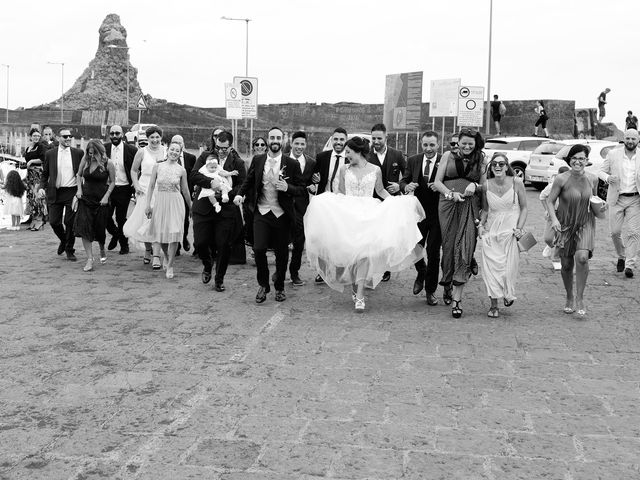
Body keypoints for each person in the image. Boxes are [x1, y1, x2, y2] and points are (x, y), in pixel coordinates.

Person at [305, 136, 425, 312]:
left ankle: (360, 295)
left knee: (364, 254)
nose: (346, 156)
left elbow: (380, 190)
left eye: (349, 152)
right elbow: (341, 194)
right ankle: (355, 286)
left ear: (358, 152)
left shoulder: (375, 169)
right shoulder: (344, 169)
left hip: (369, 214)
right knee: (352, 255)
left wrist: (395, 202)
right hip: (350, 215)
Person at [234, 126, 303, 303]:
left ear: (283, 141)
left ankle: (279, 286)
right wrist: (240, 194)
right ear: (268, 139)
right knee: (258, 249)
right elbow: (249, 180)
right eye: (272, 138)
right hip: (262, 212)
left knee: (281, 254)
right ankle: (263, 285)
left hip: (282, 214)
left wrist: (288, 188)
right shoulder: (258, 160)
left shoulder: (292, 164)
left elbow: (301, 189)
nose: (275, 141)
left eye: (278, 138)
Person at [432, 128, 486, 318]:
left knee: (464, 247)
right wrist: (449, 193)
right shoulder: (448, 155)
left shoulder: (481, 159)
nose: (467, 146)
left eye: (471, 143)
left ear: (476, 143)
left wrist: (475, 185)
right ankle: (447, 283)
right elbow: (437, 182)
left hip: (469, 206)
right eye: (464, 142)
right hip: (448, 204)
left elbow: (484, 185)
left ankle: (457, 299)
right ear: (458, 142)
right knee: (448, 247)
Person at [546, 144, 602, 317]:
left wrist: (601, 206)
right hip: (564, 224)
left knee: (582, 258)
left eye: (581, 158)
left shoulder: (592, 179)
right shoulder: (561, 179)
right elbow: (549, 201)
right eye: (575, 158)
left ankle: (580, 298)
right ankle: (569, 296)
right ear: (569, 160)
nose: (578, 161)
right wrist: (554, 219)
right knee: (567, 264)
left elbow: (594, 200)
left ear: (587, 160)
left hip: (585, 223)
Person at [191, 130, 246, 291]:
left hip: (226, 209)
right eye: (218, 147)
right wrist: (210, 183)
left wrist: (226, 191)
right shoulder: (204, 157)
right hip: (203, 207)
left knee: (224, 245)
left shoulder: (238, 163)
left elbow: (242, 184)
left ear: (231, 147)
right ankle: (207, 264)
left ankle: (219, 278)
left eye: (224, 148)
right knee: (201, 242)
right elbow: (193, 175)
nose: (221, 151)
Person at [478, 153, 528, 317]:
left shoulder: (517, 182)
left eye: (501, 163)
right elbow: (485, 210)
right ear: (491, 167)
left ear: (507, 166)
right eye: (494, 164)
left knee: (508, 268)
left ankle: (507, 291)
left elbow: (524, 207)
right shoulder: (485, 185)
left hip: (510, 231)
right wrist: (480, 226)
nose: (497, 166)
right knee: (491, 268)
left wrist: (519, 228)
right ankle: (493, 305)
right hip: (492, 231)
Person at [400, 130, 442, 305]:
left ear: (438, 144)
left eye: (432, 145)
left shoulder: (444, 161)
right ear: (421, 144)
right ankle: (421, 271)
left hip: (438, 214)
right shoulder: (413, 160)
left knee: (433, 253)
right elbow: (403, 181)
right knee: (414, 248)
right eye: (425, 144)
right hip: (417, 214)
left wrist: (440, 187)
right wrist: (406, 185)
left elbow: (449, 183)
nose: (428, 148)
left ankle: (430, 291)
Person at [143, 141, 192, 279]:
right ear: (167, 150)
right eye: (172, 149)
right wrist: (148, 205)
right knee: (162, 234)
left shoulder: (181, 170)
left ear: (180, 153)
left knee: (175, 233)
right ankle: (166, 255)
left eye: (177, 150)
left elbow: (185, 190)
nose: (174, 152)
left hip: (176, 202)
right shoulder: (157, 166)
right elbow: (151, 186)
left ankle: (170, 265)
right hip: (161, 202)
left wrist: (191, 207)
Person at [122, 125, 166, 268]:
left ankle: (157, 256)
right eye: (152, 137)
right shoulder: (142, 152)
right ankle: (148, 250)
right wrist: (136, 185)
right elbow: (134, 171)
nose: (155, 140)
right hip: (145, 189)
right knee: (146, 220)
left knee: (158, 222)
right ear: (147, 138)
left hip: (161, 189)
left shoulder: (166, 151)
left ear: (161, 137)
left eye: (157, 137)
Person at [598, 129, 640, 278]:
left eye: (633, 139)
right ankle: (621, 255)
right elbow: (600, 171)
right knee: (615, 232)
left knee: (634, 232)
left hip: (635, 199)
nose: (630, 141)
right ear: (624, 138)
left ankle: (630, 264)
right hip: (616, 198)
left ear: (638, 140)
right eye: (628, 138)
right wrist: (608, 179)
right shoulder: (613, 154)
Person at [38, 128, 84, 261]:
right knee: (53, 222)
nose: (68, 138)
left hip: (72, 192)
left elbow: (82, 173)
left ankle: (70, 249)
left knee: (69, 222)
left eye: (70, 136)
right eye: (65, 136)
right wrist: (42, 187)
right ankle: (64, 241)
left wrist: (82, 190)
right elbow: (45, 174)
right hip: (55, 192)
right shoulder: (50, 154)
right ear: (58, 138)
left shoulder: (78, 153)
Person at [368, 123, 406, 282]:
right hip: (372, 202)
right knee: (374, 236)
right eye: (373, 138)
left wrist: (399, 185)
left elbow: (407, 175)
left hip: (391, 201)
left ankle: (386, 268)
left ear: (386, 138)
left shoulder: (397, 154)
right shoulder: (367, 155)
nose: (376, 141)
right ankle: (373, 266)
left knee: (387, 236)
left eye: (379, 138)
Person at [311, 127, 349, 284]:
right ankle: (322, 272)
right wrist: (313, 180)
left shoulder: (351, 158)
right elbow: (314, 178)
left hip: (343, 205)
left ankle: (341, 272)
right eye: (336, 139)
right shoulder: (322, 157)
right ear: (332, 140)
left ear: (346, 141)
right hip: (325, 204)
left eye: (341, 140)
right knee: (323, 240)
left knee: (341, 240)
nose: (338, 142)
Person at [73, 140, 116, 272]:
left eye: (93, 153)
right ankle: (90, 258)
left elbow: (113, 182)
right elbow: (79, 175)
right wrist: (79, 190)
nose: (91, 155)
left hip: (101, 201)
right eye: (89, 152)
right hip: (85, 199)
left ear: (99, 151)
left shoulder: (108, 163)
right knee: (85, 228)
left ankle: (102, 248)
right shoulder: (85, 160)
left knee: (99, 229)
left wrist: (106, 197)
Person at [287, 131, 316, 286]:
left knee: (299, 242)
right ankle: (279, 271)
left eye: (302, 144)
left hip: (301, 206)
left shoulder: (311, 162)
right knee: (282, 241)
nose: (299, 147)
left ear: (306, 145)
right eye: (296, 143)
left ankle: (294, 272)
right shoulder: (283, 159)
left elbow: (312, 184)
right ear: (291, 143)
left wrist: (313, 185)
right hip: (283, 205)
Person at [104, 125, 138, 255]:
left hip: (124, 188)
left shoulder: (132, 150)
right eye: (112, 133)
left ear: (122, 134)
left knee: (120, 218)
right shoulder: (105, 149)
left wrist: (136, 184)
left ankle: (124, 245)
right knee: (106, 217)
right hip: (108, 188)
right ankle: (116, 234)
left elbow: (137, 169)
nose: (114, 136)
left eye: (117, 133)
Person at [170, 134, 196, 255]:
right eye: (174, 142)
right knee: (173, 220)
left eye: (179, 142)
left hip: (185, 193)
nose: (177, 145)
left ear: (183, 144)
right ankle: (177, 244)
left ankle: (184, 237)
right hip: (171, 194)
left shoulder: (190, 158)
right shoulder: (167, 158)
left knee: (185, 220)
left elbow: (193, 177)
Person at [540, 165, 570, 270]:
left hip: (565, 215)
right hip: (553, 213)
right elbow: (542, 196)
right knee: (547, 238)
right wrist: (547, 210)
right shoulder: (552, 186)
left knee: (561, 237)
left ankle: (556, 259)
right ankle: (550, 246)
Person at [244, 136, 268, 248]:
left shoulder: (269, 160)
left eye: (262, 144)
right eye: (257, 145)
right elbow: (245, 180)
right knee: (252, 223)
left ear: (266, 147)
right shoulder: (248, 161)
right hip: (251, 197)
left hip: (265, 196)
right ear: (253, 147)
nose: (259, 147)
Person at [24, 127, 47, 231]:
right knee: (31, 197)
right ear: (31, 137)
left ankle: (40, 220)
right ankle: (34, 219)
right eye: (34, 135)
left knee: (37, 196)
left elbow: (43, 159)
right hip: (30, 175)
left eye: (38, 136)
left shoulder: (41, 147)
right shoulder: (29, 147)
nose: (36, 137)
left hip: (37, 175)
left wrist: (31, 161)